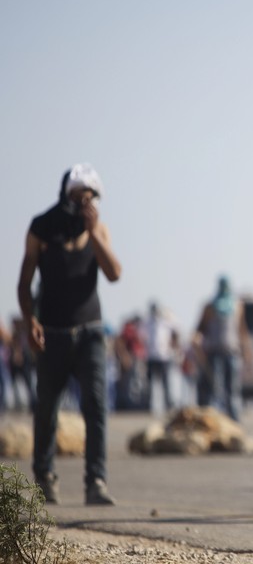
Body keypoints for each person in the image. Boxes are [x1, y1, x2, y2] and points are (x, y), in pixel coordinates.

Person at [16, 163, 122, 505]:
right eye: (79, 196)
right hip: (53, 334)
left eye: (90, 197)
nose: (84, 203)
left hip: (90, 333)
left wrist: (93, 233)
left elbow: (114, 273)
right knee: (46, 407)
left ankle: (97, 482)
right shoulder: (42, 228)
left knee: (95, 406)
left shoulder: (97, 230)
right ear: (66, 195)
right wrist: (31, 320)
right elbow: (24, 281)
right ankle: (44, 477)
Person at [195, 275, 251, 422]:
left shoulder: (237, 305)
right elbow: (200, 329)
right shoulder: (210, 306)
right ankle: (215, 419)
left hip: (231, 352)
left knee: (232, 388)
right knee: (215, 388)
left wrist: (247, 351)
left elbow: (242, 330)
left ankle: (233, 418)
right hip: (214, 353)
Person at [143, 301, 180, 415]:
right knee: (150, 384)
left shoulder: (166, 322)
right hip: (151, 357)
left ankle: (168, 406)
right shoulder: (147, 322)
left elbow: (176, 333)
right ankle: (148, 406)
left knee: (166, 383)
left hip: (164, 356)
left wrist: (175, 347)